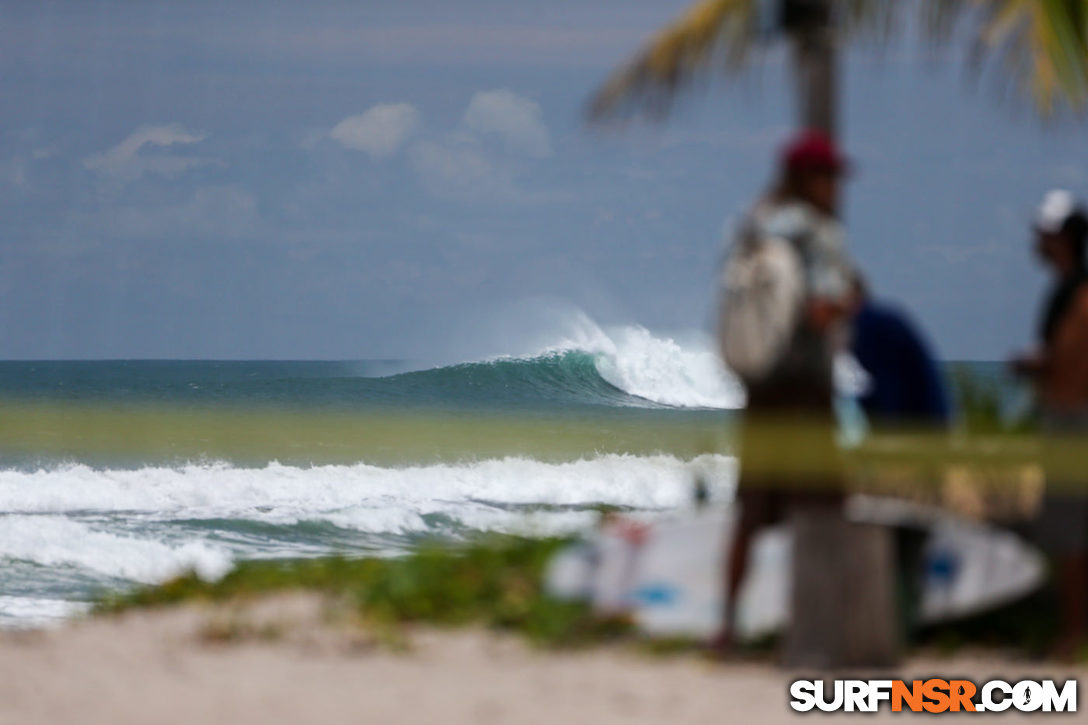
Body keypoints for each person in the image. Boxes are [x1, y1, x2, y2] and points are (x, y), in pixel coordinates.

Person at [714, 130, 856, 651]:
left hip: (761, 389)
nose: (837, 187)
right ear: (807, 179)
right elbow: (820, 313)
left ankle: (727, 627)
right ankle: (815, 630)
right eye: (830, 176)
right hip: (805, 394)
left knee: (751, 512)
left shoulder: (752, 223)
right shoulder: (817, 232)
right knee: (821, 510)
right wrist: (850, 301)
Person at [1010, 189, 1088, 657]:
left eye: (1042, 230)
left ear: (1061, 237)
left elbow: (1070, 359)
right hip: (1069, 416)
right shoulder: (1068, 288)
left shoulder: (1075, 290)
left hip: (1070, 420)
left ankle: (1071, 634)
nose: (1035, 238)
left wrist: (1036, 366)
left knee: (1070, 535)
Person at [849, 275, 953, 428]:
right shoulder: (884, 323)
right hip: (930, 421)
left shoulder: (872, 327)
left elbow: (886, 396)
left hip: (918, 426)